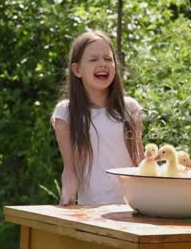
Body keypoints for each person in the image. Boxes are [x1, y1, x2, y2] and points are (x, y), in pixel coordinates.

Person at [51, 30, 143, 205]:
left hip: (132, 209)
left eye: (108, 59)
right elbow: (70, 171)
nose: (103, 64)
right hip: (92, 212)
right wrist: (67, 199)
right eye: (93, 59)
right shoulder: (65, 113)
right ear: (77, 70)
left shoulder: (130, 108)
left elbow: (139, 161)